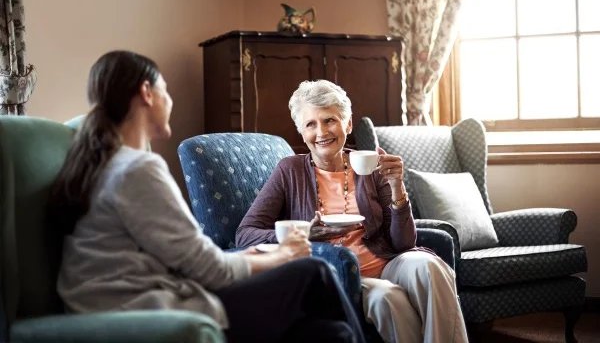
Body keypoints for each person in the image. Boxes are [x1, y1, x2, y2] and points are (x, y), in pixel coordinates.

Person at [49, 51, 366, 343]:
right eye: (166, 91)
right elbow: (210, 270)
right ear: (147, 93)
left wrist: (250, 254)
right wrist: (283, 255)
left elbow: (187, 258)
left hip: (137, 297)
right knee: (315, 271)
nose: (170, 101)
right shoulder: (137, 169)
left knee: (331, 333)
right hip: (147, 308)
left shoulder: (101, 162)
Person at [236, 79, 468, 343]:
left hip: (387, 261)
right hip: (340, 271)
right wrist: (302, 233)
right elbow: (245, 234)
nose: (321, 131)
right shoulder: (289, 171)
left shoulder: (370, 166)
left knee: (431, 266)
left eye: (330, 120)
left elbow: (404, 243)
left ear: (347, 124)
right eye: (310, 124)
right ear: (301, 132)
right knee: (388, 299)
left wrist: (396, 186)